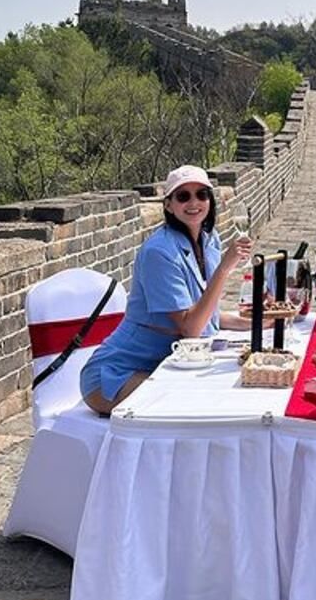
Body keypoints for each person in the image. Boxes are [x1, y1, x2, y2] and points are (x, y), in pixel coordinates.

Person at [81, 166, 252, 415]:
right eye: (183, 196)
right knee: (198, 403)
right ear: (169, 205)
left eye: (201, 194)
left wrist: (257, 322)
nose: (194, 203)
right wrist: (224, 269)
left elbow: (207, 316)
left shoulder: (209, 240)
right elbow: (191, 328)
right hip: (116, 375)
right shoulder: (159, 252)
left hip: (170, 364)